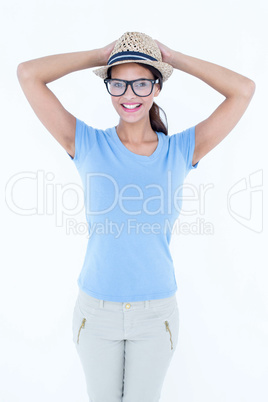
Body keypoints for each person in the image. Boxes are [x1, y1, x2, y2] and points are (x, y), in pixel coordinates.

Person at [17, 31, 255, 402]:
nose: (129, 95)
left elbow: (243, 89)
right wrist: (99, 55)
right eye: (118, 84)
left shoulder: (181, 150)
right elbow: (28, 74)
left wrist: (174, 58)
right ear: (108, 87)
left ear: (157, 87)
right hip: (95, 314)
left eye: (141, 83)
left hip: (155, 316)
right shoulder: (86, 142)